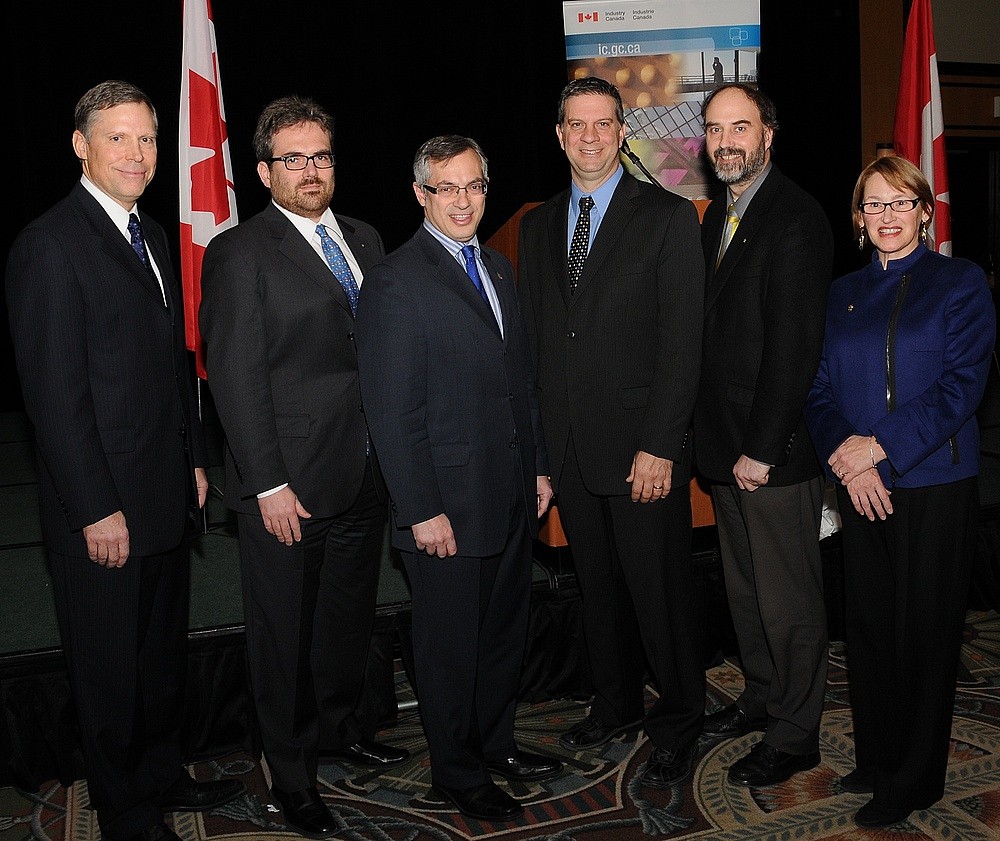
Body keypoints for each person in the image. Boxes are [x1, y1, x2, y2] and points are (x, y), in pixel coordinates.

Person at [5, 80, 245, 841]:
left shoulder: (148, 234)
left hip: (165, 489)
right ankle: (127, 812)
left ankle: (162, 775)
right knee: (108, 672)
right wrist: (92, 506)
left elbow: (171, 364)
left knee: (158, 661)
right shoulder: (49, 245)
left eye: (147, 138)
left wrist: (196, 457)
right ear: (80, 144)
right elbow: (54, 396)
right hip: (103, 508)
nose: (138, 153)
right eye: (119, 137)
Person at [199, 95, 408, 840]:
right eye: (293, 158)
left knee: (345, 621)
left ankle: (341, 729)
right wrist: (267, 483)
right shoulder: (239, 252)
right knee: (283, 636)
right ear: (263, 171)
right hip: (287, 484)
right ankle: (290, 777)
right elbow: (235, 375)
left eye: (319, 155)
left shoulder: (366, 237)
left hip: (363, 473)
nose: (310, 169)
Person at [355, 135, 562, 822]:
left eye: (473, 185)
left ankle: (497, 743)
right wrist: (420, 509)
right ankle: (458, 773)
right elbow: (391, 410)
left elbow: (520, 382)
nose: (463, 200)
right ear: (420, 195)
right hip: (442, 508)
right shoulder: (394, 280)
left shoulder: (498, 268)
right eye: (446, 188)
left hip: (507, 492)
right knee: (449, 648)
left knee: (502, 631)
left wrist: (534, 465)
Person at [518, 76, 706, 789]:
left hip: (640, 451)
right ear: (559, 134)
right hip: (569, 447)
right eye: (577, 124)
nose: (590, 136)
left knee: (659, 595)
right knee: (596, 589)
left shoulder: (665, 216)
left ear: (624, 131)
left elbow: (682, 343)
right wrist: (539, 452)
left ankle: (680, 719)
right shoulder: (536, 226)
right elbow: (538, 343)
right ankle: (618, 701)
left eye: (604, 123)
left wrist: (659, 442)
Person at [804, 154, 995, 828]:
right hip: (862, 486)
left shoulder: (960, 282)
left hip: (933, 483)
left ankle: (915, 776)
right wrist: (851, 464)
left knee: (925, 633)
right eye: (873, 204)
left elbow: (962, 386)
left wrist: (876, 446)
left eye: (899, 202)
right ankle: (880, 754)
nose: (886, 214)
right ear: (859, 218)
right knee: (871, 630)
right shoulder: (841, 293)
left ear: (924, 210)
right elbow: (818, 391)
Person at [692, 82, 833, 788]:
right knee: (747, 593)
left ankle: (796, 731)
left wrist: (761, 447)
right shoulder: (721, 211)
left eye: (739, 127)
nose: (726, 141)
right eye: (715, 129)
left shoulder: (795, 218)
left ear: (768, 135)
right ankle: (762, 695)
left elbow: (794, 348)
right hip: (726, 447)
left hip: (771, 453)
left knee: (787, 599)